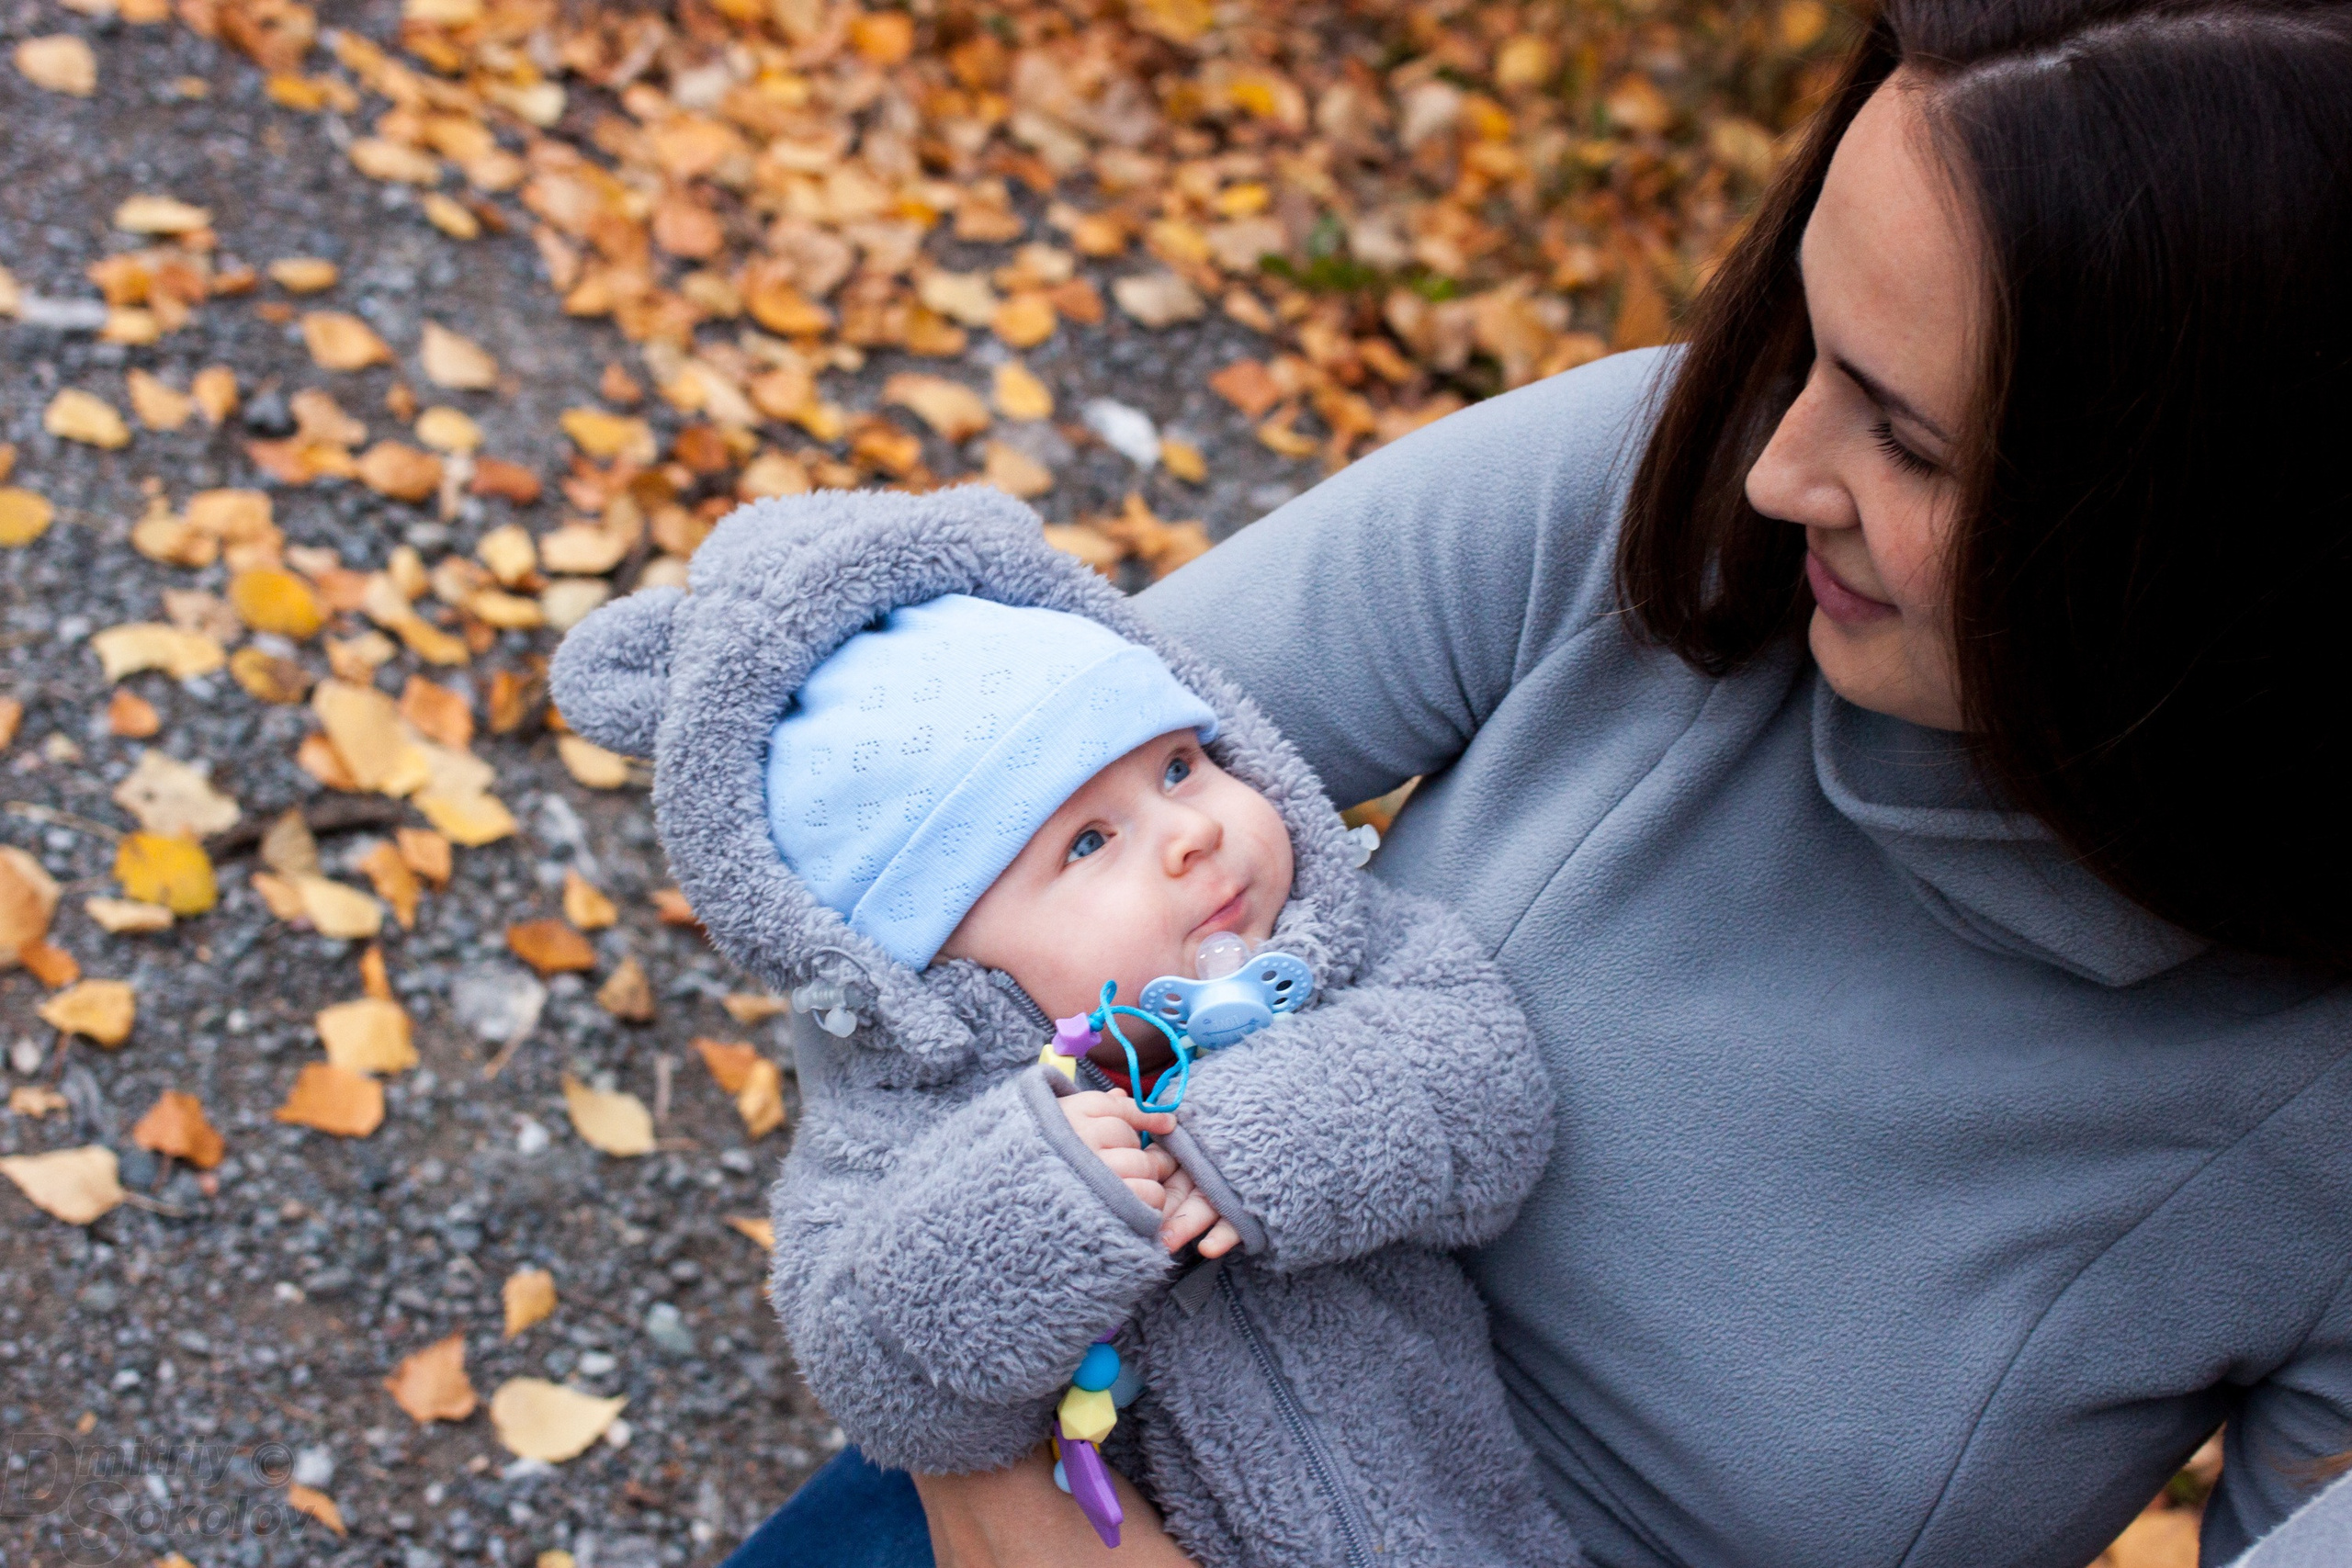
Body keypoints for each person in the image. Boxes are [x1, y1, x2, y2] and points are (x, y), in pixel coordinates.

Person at [720, 0, 2352, 1562]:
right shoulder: (1655, 481)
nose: (1779, 468)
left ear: (2227, 546)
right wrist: (991, 1474)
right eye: (1811, 341)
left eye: (1911, 443)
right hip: (1086, 1456)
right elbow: (916, 854)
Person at [548, 491, 1577, 1568]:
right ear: (935, 958)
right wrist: (1028, 1207)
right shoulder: (906, 1126)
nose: (1189, 832)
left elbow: (1488, 1092)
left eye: (1179, 766)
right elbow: (874, 1373)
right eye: (1088, 841)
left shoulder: (1329, 952)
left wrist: (1259, 1128)